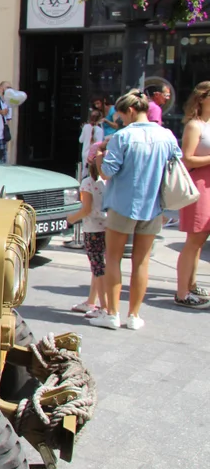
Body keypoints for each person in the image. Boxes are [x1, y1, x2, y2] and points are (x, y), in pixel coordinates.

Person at [89, 89, 182, 331]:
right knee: (141, 262)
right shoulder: (167, 135)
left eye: (121, 115)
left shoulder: (122, 137)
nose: (120, 120)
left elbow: (107, 172)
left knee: (113, 259)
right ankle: (134, 315)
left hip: (122, 204)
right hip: (153, 204)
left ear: (130, 111)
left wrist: (99, 157)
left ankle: (112, 313)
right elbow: (176, 163)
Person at [174, 81, 210, 309]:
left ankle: (191, 284)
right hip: (198, 185)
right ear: (202, 98)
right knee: (194, 239)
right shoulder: (194, 126)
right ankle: (182, 292)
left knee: (200, 239)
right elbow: (187, 158)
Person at [67, 143, 108, 317]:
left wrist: (70, 219)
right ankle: (92, 301)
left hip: (92, 230)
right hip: (108, 227)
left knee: (98, 269)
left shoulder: (87, 182)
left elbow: (86, 209)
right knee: (99, 267)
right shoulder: (107, 181)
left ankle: (104, 307)